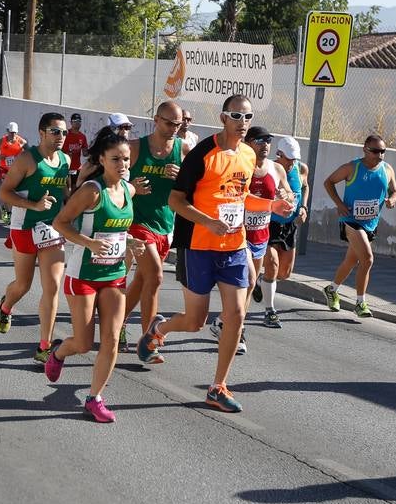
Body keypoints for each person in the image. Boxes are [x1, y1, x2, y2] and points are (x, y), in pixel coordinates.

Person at [135, 96, 294, 413]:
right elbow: (177, 201)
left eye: (247, 116)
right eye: (236, 115)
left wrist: (272, 206)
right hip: (198, 247)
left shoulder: (248, 155)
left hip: (234, 246)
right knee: (194, 321)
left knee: (235, 316)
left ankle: (218, 386)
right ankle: (158, 330)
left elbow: (243, 196)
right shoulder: (202, 154)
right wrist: (208, 222)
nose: (243, 121)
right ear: (223, 118)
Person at [45, 131, 140, 423]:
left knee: (111, 340)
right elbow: (59, 222)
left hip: (114, 274)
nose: (123, 164)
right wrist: (88, 243)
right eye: (116, 159)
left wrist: (132, 243)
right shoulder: (91, 191)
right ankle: (59, 352)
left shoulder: (128, 190)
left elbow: (120, 229)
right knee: (84, 344)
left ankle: (94, 397)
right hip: (83, 275)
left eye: (126, 159)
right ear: (102, 160)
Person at [0, 112, 70, 365]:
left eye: (64, 132)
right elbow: (4, 193)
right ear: (41, 133)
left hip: (52, 229)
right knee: (23, 285)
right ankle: (6, 306)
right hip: (25, 226)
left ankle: (44, 346)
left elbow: (65, 193)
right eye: (55, 131)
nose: (61, 136)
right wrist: (33, 205)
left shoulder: (65, 160)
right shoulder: (27, 159)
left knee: (53, 286)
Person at [208, 125, 287, 353]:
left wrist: (288, 198)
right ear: (249, 143)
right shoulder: (241, 165)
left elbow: (288, 192)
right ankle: (237, 331)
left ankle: (225, 323)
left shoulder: (276, 169)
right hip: (239, 234)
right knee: (247, 282)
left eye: (268, 140)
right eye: (260, 140)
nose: (265, 145)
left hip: (261, 233)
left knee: (251, 285)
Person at [121, 101, 185, 359]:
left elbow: (195, 190)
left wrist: (180, 177)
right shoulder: (135, 148)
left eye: (178, 125)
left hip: (164, 225)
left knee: (141, 281)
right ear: (156, 120)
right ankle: (150, 339)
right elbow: (111, 183)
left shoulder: (183, 150)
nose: (173, 129)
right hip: (137, 222)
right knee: (156, 276)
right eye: (169, 123)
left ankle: (115, 323)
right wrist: (131, 186)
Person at [321, 134, 396, 317]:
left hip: (371, 223)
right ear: (365, 149)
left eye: (383, 151)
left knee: (352, 261)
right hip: (350, 220)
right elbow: (329, 182)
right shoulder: (352, 167)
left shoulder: (387, 169)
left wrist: (392, 200)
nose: (379, 155)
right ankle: (360, 303)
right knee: (368, 259)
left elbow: (395, 191)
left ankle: (331, 289)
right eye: (375, 151)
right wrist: (339, 204)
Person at [260, 135, 309, 328]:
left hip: (289, 226)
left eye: (294, 159)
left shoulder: (301, 168)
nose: (291, 163)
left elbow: (305, 187)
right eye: (288, 159)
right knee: (271, 265)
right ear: (278, 154)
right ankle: (269, 311)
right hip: (268, 224)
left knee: (284, 273)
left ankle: (260, 284)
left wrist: (303, 207)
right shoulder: (268, 170)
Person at [0, 121, 27, 222]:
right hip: (4, 169)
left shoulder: (21, 142)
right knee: (7, 190)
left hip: (16, 170)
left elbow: (29, 152)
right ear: (7, 131)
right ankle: (7, 212)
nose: (13, 135)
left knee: (14, 192)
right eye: (11, 132)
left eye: (14, 133)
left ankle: (7, 210)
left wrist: (22, 157)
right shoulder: (1, 141)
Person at [62, 113, 89, 191]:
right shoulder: (66, 134)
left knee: (74, 190)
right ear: (71, 122)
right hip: (64, 168)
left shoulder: (82, 137)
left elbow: (85, 153)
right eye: (75, 121)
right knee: (66, 191)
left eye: (79, 121)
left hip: (76, 168)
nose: (77, 122)